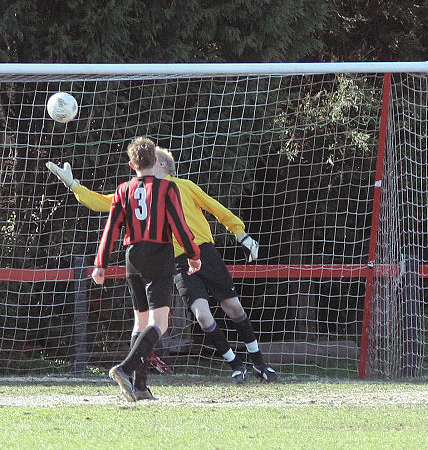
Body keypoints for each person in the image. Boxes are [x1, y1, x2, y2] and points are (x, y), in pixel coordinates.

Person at [47, 148, 280, 390]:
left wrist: (240, 233)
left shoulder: (182, 186)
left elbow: (215, 208)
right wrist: (74, 185)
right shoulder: (143, 191)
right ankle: (235, 364)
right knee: (201, 315)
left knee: (233, 307)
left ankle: (259, 363)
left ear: (161, 165)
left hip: (205, 254)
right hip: (178, 260)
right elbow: (104, 203)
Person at [91, 137, 202, 402]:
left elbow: (111, 229)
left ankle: (140, 387)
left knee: (140, 323)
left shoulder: (122, 190)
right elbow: (179, 226)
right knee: (159, 324)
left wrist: (100, 264)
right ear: (155, 160)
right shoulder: (167, 188)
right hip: (158, 255)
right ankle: (125, 369)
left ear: (132, 164)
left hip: (133, 257)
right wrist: (193, 254)